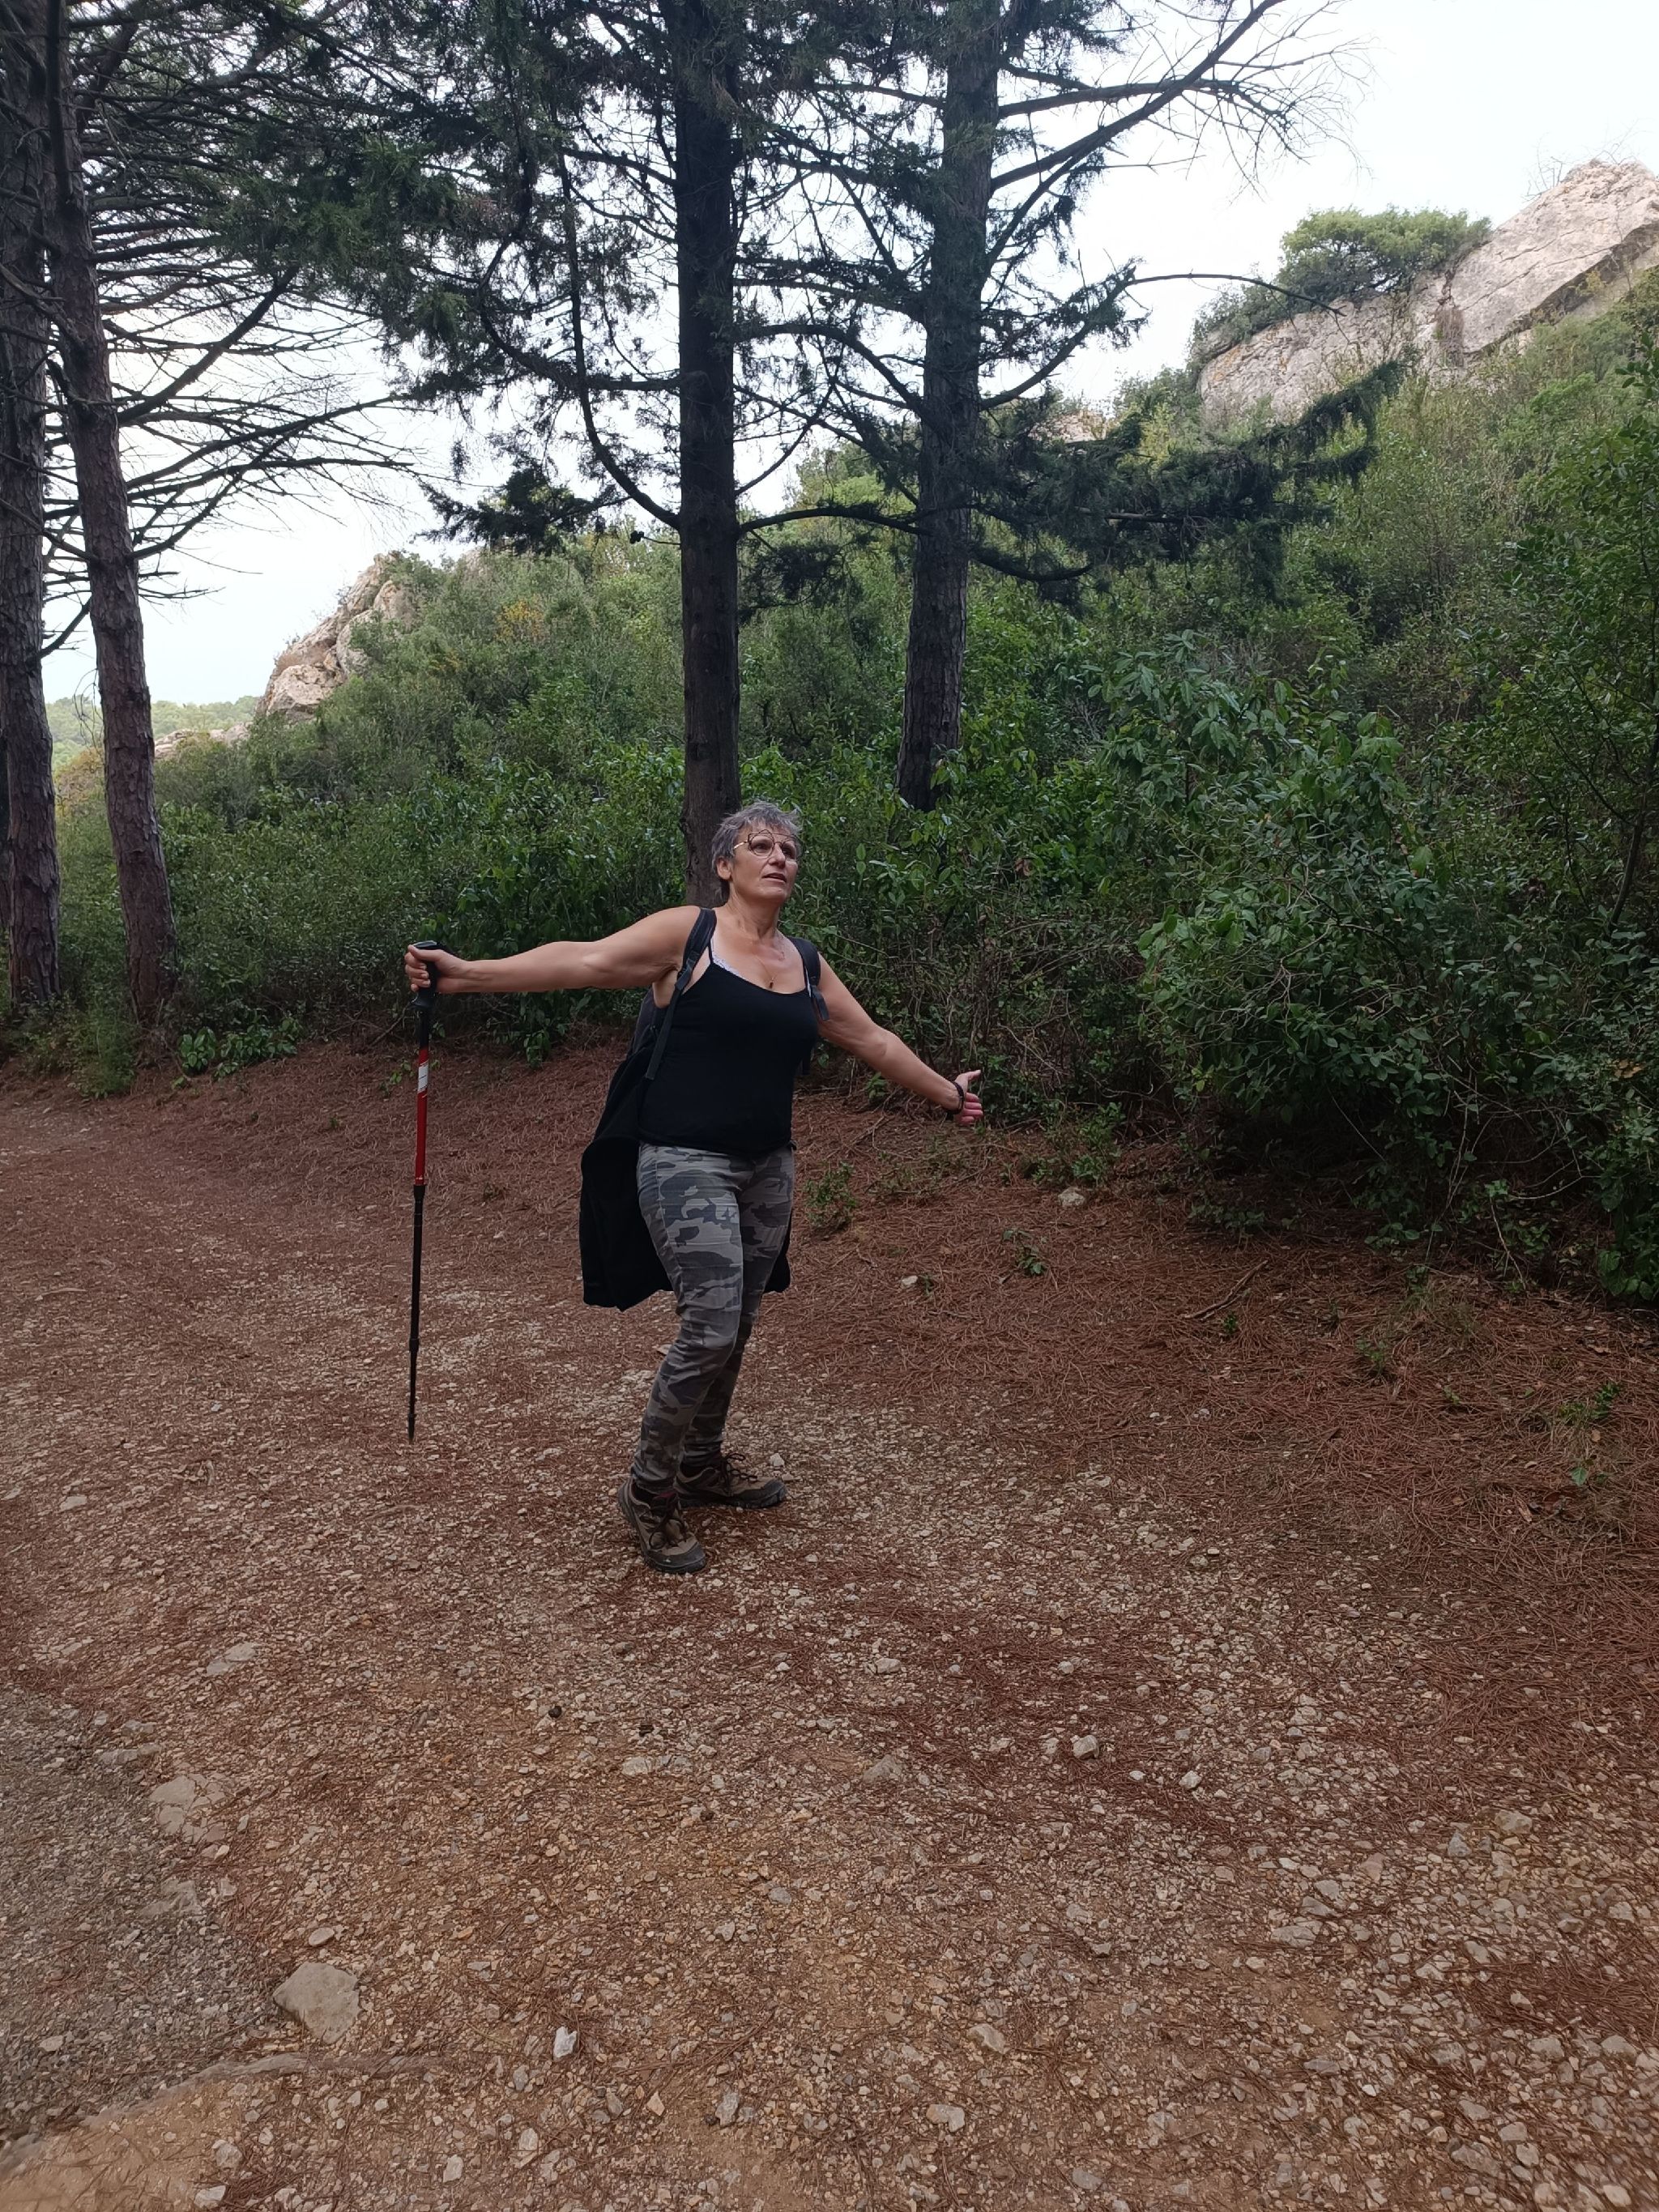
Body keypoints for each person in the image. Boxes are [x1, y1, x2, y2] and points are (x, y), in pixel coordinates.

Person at [404, 801, 983, 1575]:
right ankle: (650, 1488)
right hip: (683, 1160)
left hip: (767, 1166)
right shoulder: (692, 935)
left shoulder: (805, 963)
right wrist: (465, 974)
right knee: (709, 1325)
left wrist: (948, 1094)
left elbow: (871, 1038)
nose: (778, 857)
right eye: (759, 844)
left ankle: (702, 1461)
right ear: (725, 864)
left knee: (736, 1322)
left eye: (789, 848)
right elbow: (586, 962)